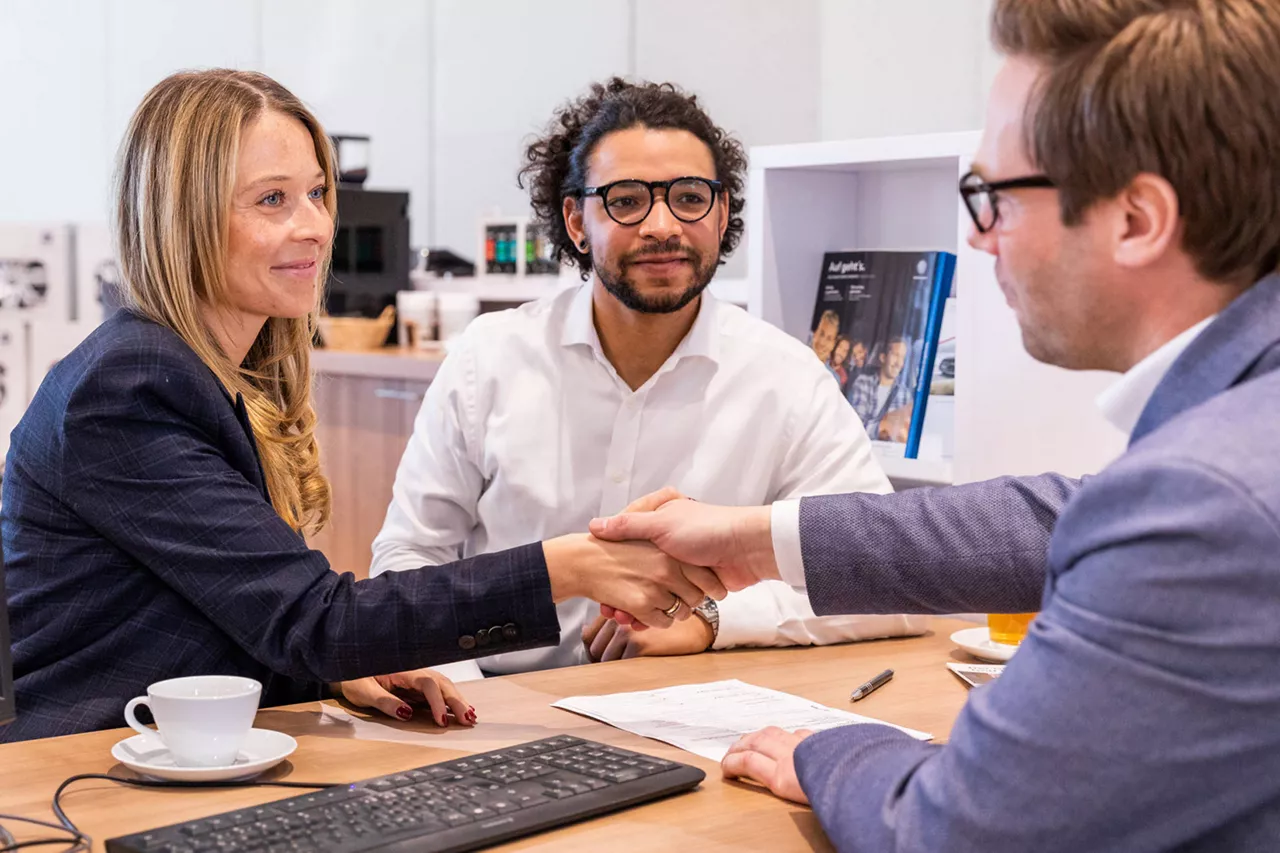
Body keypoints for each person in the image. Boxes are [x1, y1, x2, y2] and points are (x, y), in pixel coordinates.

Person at [590, 1, 1280, 849]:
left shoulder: (1207, 499)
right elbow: (1062, 516)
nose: (975, 237)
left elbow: (957, 828)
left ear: (1138, 220)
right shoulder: (1236, 437)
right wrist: (752, 536)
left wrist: (831, 750)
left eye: (992, 196)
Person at [0, 70, 724, 743]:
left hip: (190, 751)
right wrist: (569, 565)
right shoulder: (131, 382)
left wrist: (344, 665)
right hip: (79, 768)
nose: (315, 226)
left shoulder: (211, 370)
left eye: (317, 194)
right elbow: (312, 618)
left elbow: (247, 611)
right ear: (181, 216)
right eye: (272, 200)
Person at [370, 78, 922, 679]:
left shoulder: (785, 380)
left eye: (689, 197)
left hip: (690, 715)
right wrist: (456, 686)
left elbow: (885, 583)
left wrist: (712, 621)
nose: (662, 225)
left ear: (724, 212)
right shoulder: (490, 360)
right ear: (577, 222)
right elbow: (409, 562)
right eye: (627, 200)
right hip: (497, 710)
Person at [847, 336, 912, 441]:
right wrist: (883, 426)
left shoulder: (905, 394)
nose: (899, 363)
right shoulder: (863, 383)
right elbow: (855, 429)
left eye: (902, 358)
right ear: (883, 357)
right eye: (895, 355)